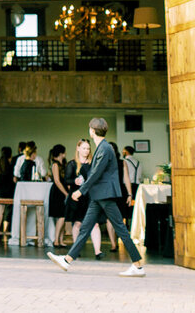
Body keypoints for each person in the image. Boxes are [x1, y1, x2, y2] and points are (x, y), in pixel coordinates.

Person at [48, 118, 145, 277]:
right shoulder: (103, 147)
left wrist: (81, 190)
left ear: (92, 131)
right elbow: (97, 174)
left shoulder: (104, 148)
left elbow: (97, 173)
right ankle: (67, 260)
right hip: (99, 194)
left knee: (120, 228)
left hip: (104, 194)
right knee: (85, 228)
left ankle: (138, 266)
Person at [64, 138, 103, 258]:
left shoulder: (93, 163)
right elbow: (66, 180)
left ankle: (98, 251)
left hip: (90, 197)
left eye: (88, 148)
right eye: (84, 148)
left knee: (95, 224)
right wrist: (74, 181)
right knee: (77, 223)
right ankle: (76, 250)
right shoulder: (72, 164)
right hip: (76, 197)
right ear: (78, 148)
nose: (86, 151)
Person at [48, 145, 69, 247]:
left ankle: (60, 240)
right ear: (61, 154)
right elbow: (57, 180)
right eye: (64, 153)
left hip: (63, 190)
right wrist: (66, 193)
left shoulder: (62, 164)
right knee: (61, 216)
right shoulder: (55, 165)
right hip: (58, 192)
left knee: (63, 216)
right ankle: (56, 240)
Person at [0, 147, 15, 242]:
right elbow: (14, 180)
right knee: (8, 211)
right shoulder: (12, 167)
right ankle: (5, 231)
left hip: (0, 191)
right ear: (10, 155)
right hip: (9, 191)